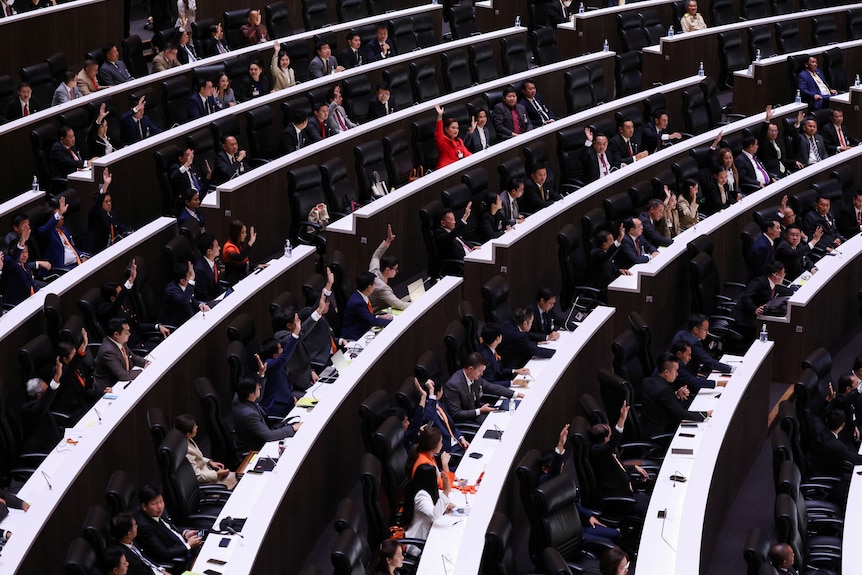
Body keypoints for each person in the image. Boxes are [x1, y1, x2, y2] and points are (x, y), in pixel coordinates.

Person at [589, 401, 650, 515]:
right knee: (651, 511)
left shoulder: (603, 451)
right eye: (610, 435)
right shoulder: (598, 453)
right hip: (621, 498)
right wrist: (622, 419)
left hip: (629, 491)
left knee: (653, 502)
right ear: (605, 439)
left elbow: (617, 465)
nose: (611, 436)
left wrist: (634, 467)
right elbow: (613, 443)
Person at [134, 484, 201, 572]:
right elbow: (163, 553)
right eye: (154, 503)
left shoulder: (158, 512)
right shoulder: (145, 527)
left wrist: (184, 533)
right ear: (144, 507)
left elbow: (170, 528)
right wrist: (188, 546)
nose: (160, 506)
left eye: (161, 501)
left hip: (188, 548)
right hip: (182, 560)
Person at [442, 352, 522, 424]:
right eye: (480, 371)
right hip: (466, 420)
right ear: (471, 369)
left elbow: (492, 387)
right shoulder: (453, 385)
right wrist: (480, 411)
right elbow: (456, 414)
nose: (482, 374)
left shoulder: (474, 377)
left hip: (477, 413)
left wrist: (517, 394)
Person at [641, 354, 711, 436]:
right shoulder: (664, 389)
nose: (677, 374)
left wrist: (677, 394)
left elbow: (661, 401)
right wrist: (705, 414)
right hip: (661, 430)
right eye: (676, 371)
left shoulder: (647, 381)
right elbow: (680, 414)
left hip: (648, 425)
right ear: (666, 372)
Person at [233, 377, 302, 456]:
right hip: (255, 448)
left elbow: (258, 398)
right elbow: (269, 436)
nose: (260, 387)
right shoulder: (249, 415)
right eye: (257, 387)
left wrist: (261, 377)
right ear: (251, 394)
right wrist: (293, 428)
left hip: (261, 433)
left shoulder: (239, 397)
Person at [174, 414, 236, 489]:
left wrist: (210, 462)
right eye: (194, 427)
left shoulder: (185, 439)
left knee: (236, 476)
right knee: (236, 483)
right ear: (188, 434)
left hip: (207, 471)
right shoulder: (186, 450)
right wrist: (217, 474)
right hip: (206, 484)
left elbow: (196, 458)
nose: (197, 427)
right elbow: (197, 476)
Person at [403, 463, 454, 553]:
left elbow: (435, 503)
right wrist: (446, 492)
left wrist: (444, 505)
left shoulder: (424, 488)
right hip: (420, 542)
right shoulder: (421, 495)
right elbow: (435, 515)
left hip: (430, 532)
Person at [93, 318, 148, 392]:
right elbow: (122, 375)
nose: (129, 334)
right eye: (126, 332)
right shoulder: (108, 351)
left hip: (123, 381)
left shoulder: (119, 340)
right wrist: (142, 371)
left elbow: (132, 357)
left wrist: (146, 363)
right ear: (116, 334)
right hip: (110, 389)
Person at [738, 262, 793, 331]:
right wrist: (755, 309)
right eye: (783, 273)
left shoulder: (774, 286)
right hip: (747, 317)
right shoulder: (759, 282)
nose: (784, 275)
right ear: (775, 275)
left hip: (761, 316)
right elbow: (746, 297)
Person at [258, 331, 302, 418]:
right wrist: (295, 335)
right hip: (277, 409)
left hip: (288, 399)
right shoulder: (268, 364)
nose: (282, 350)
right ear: (275, 355)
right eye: (281, 349)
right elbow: (284, 357)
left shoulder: (274, 364)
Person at [22, 364, 64, 454]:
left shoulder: (39, 406)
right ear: (39, 396)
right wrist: (56, 378)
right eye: (46, 391)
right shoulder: (32, 410)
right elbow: (43, 405)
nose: (49, 393)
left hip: (55, 445)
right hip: (43, 451)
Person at [36, 195, 86, 270]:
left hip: (76, 263)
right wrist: (58, 214)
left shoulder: (63, 229)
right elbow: (46, 229)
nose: (62, 217)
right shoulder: (45, 231)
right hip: (62, 268)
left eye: (62, 215)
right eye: (59, 216)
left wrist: (82, 256)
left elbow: (71, 247)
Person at [88, 168, 131, 253]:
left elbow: (120, 226)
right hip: (98, 251)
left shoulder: (111, 214)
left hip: (111, 249)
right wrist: (105, 186)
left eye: (110, 201)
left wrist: (131, 232)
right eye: (106, 202)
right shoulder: (95, 215)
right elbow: (96, 207)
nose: (109, 204)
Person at [368, 224, 410, 312]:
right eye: (395, 269)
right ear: (387, 270)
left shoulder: (374, 270)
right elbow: (400, 305)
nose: (397, 271)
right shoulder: (382, 288)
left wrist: (388, 241)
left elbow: (376, 256)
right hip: (375, 313)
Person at [341, 271, 393, 340]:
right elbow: (372, 320)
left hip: (362, 327)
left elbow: (366, 315)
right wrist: (392, 323)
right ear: (369, 287)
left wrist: (378, 316)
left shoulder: (360, 295)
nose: (375, 287)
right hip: (353, 335)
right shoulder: (358, 303)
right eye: (374, 285)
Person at [478, 323, 530, 388]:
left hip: (501, 381)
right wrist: (512, 383)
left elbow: (499, 370)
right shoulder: (485, 358)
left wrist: (515, 371)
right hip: (496, 390)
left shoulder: (489, 349)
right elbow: (490, 383)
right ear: (498, 338)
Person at [160, 262, 210, 327]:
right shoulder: (171, 291)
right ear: (183, 281)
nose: (193, 277)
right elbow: (184, 300)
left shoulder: (183, 285)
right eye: (190, 276)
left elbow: (190, 297)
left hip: (188, 318)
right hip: (177, 325)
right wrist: (191, 279)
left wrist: (199, 305)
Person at [587, 227, 632, 292]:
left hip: (610, 284)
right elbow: (605, 256)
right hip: (601, 290)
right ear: (604, 245)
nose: (613, 243)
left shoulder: (604, 253)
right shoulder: (596, 254)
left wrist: (618, 271)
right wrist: (619, 239)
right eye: (612, 242)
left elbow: (609, 265)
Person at [758, 105, 797, 179]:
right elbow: (762, 136)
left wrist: (794, 162)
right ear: (766, 132)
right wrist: (767, 120)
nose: (773, 133)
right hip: (773, 172)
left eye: (775, 131)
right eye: (771, 131)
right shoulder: (764, 143)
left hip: (783, 169)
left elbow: (781, 159)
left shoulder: (777, 143)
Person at [434, 105, 471, 169]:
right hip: (444, 170)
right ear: (446, 129)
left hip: (456, 169)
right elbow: (439, 131)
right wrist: (440, 116)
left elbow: (468, 154)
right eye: (453, 128)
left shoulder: (459, 141)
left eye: (457, 128)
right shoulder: (442, 140)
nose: (456, 130)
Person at [222, 219, 258, 285]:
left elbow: (245, 263)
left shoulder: (239, 244)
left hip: (243, 277)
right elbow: (239, 258)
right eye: (242, 232)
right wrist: (250, 243)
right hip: (234, 281)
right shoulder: (228, 247)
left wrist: (257, 266)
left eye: (245, 232)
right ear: (235, 233)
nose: (245, 235)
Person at [192, 234, 221, 302]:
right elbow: (203, 296)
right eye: (216, 246)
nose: (219, 248)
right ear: (209, 251)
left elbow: (217, 284)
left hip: (215, 298)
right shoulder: (200, 270)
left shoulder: (214, 261)